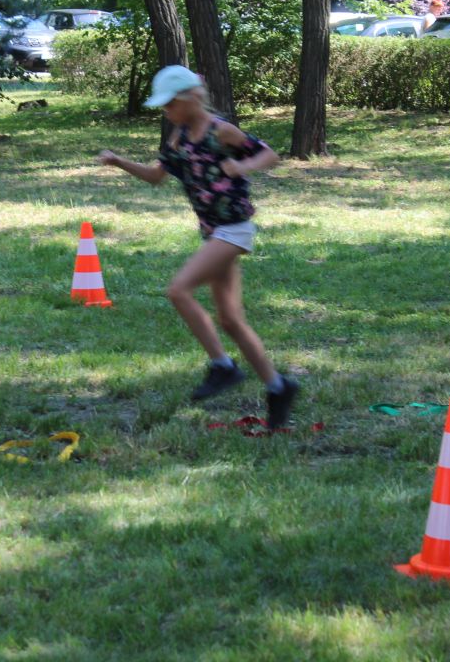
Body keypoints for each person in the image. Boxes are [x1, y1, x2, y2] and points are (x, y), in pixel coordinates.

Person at [98, 65, 300, 429]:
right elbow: (156, 176)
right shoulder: (180, 138)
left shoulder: (221, 130)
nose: (166, 111)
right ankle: (279, 387)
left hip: (234, 229)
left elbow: (268, 154)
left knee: (178, 290)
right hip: (214, 232)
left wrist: (243, 167)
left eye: (170, 104)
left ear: (191, 98)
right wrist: (118, 162)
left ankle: (223, 366)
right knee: (231, 320)